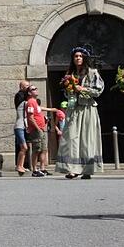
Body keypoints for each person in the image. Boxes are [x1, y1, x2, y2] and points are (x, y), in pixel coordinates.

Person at [56, 48, 104, 179]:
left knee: (87, 139)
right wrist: (69, 90)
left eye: (80, 56)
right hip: (74, 109)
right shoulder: (70, 74)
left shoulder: (92, 73)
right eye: (75, 56)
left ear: (84, 58)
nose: (78, 58)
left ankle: (87, 169)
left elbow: (98, 91)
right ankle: (72, 168)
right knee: (71, 138)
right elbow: (66, 93)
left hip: (88, 108)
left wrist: (82, 89)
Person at [25, 85, 48, 177]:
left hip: (41, 129)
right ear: (29, 93)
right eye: (33, 89)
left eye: (36, 88)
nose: (36, 90)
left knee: (43, 149)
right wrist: (37, 128)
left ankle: (42, 168)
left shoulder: (35, 102)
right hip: (36, 129)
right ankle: (34, 169)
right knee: (36, 149)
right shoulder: (30, 102)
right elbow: (30, 117)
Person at [13, 80, 30, 175]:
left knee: (24, 147)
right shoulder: (20, 95)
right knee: (23, 146)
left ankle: (22, 165)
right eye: (27, 86)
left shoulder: (27, 96)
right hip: (20, 125)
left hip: (25, 125)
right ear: (22, 87)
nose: (28, 87)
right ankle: (18, 165)